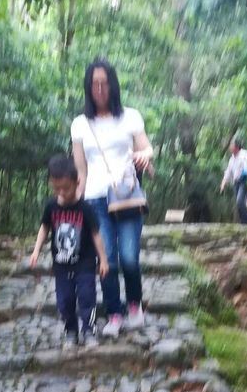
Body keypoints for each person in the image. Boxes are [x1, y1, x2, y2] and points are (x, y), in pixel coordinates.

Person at [71, 58, 154, 339]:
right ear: (88, 87)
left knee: (129, 257)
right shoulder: (80, 124)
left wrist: (144, 155)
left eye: (104, 83)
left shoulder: (130, 116)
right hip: (95, 199)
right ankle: (114, 312)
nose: (99, 88)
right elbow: (80, 170)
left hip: (126, 196)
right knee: (107, 261)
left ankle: (134, 306)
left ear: (113, 84)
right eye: (94, 83)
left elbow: (147, 148)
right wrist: (73, 205)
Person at [30, 153, 110, 348]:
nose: (62, 193)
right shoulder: (51, 206)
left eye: (66, 188)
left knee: (86, 297)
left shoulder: (85, 208)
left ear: (77, 182)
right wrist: (36, 250)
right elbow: (44, 228)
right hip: (61, 265)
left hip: (85, 264)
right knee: (64, 301)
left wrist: (104, 260)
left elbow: (96, 233)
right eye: (57, 188)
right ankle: (70, 331)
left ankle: (89, 330)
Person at [220, 137, 247, 224]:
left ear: (236, 146)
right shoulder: (232, 159)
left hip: (245, 180)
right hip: (236, 182)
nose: (229, 147)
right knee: (239, 203)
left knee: (240, 201)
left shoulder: (244, 154)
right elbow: (228, 172)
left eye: (231, 145)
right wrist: (223, 183)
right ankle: (244, 223)